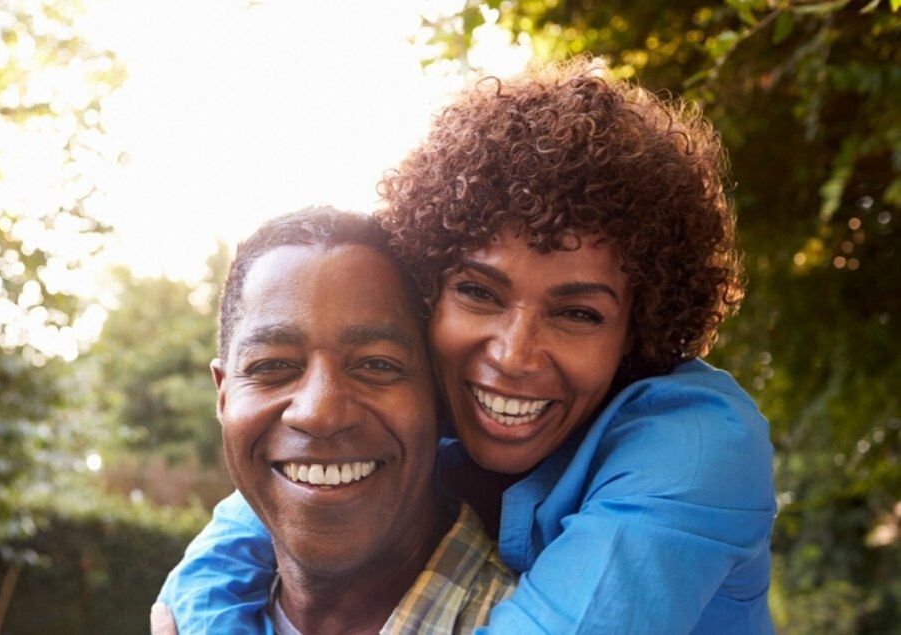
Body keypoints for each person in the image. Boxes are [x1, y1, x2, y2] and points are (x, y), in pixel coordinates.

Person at [156, 59, 776, 633]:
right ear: (430, 293)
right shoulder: (431, 401)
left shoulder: (698, 445)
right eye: (479, 293)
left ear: (637, 330)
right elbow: (251, 524)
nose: (512, 354)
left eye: (578, 312)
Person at [182, 206, 516, 633]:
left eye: (377, 365)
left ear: (439, 395)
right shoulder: (188, 613)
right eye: (272, 367)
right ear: (224, 397)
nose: (320, 413)